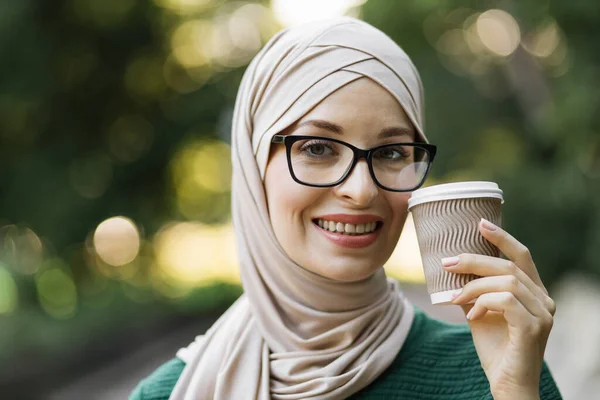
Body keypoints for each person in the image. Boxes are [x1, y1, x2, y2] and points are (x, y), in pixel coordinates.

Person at [130, 17, 562, 399]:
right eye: (317, 148)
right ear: (253, 165)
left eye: (392, 152)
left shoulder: (500, 368)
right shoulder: (170, 394)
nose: (361, 190)